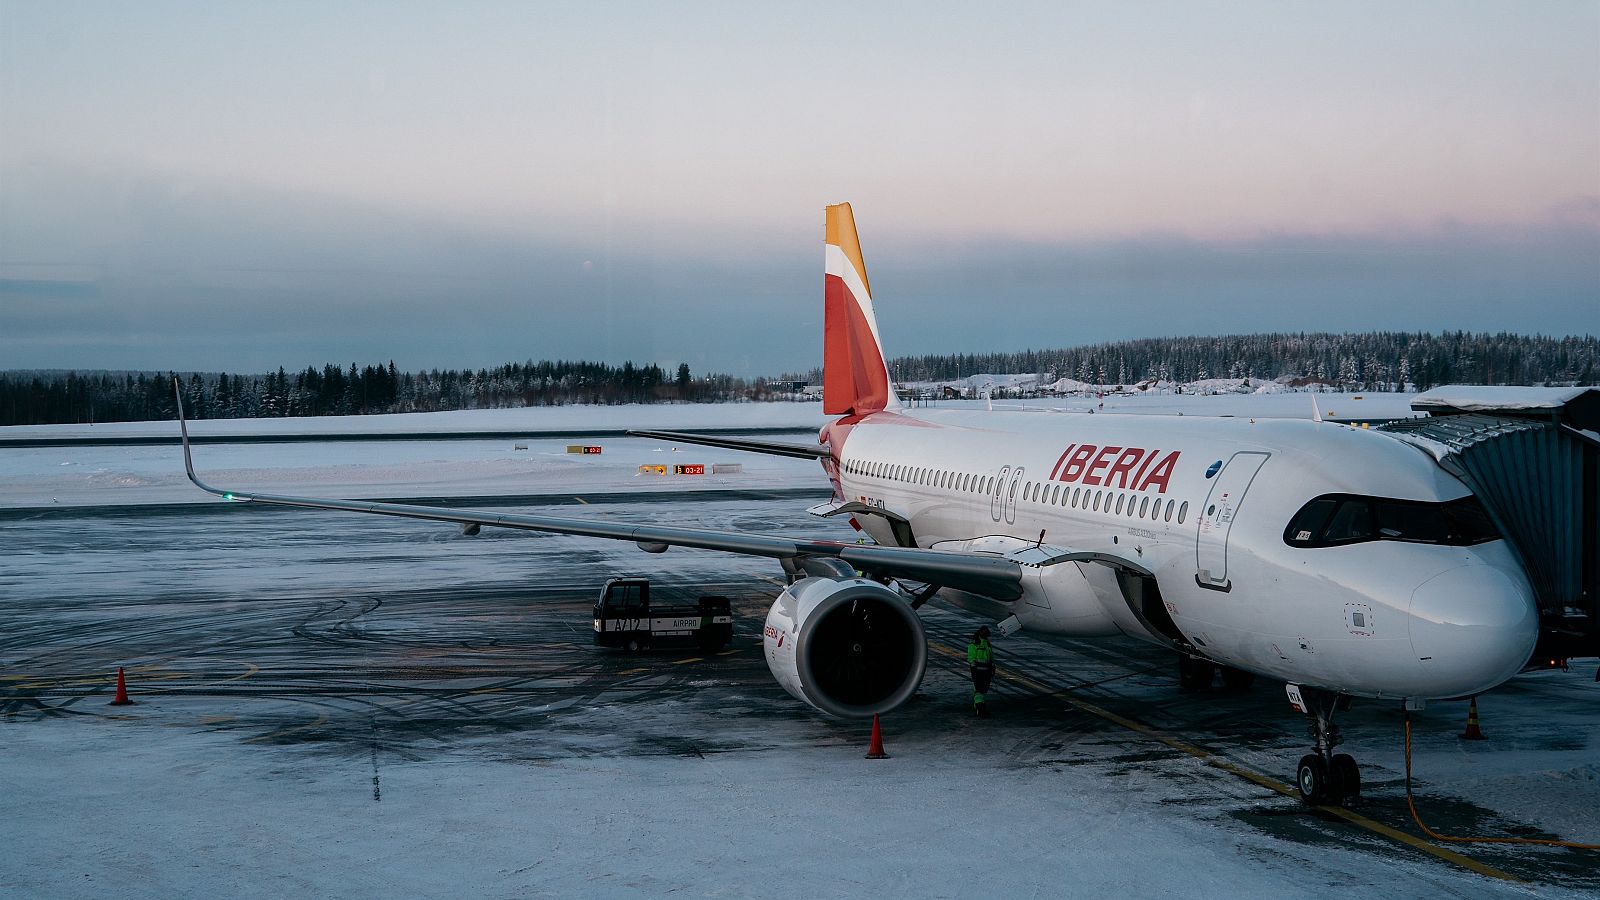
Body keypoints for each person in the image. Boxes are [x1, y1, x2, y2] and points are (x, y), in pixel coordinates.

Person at [967, 626, 995, 716]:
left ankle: (979, 706)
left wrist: (993, 666)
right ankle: (980, 707)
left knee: (983, 689)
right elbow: (971, 657)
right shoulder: (975, 643)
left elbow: (990, 657)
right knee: (979, 689)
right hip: (979, 671)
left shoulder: (987, 643)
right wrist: (973, 668)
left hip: (986, 671)